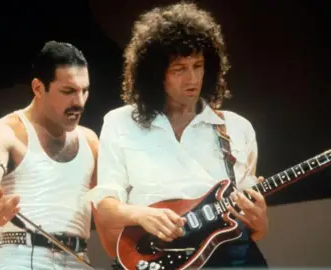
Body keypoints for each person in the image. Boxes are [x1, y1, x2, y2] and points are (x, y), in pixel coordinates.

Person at [88, 3, 269, 269]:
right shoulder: (120, 122)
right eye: (178, 69)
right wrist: (141, 215)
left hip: (232, 259)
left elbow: (249, 227)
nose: (192, 78)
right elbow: (105, 206)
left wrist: (260, 222)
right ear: (155, 74)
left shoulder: (237, 128)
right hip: (157, 258)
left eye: (198, 65)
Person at [0, 41, 98, 270]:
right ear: (38, 88)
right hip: (21, 258)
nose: (79, 102)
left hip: (79, 260)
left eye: (84, 90)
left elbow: (109, 208)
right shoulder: (6, 131)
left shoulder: (90, 141)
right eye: (68, 91)